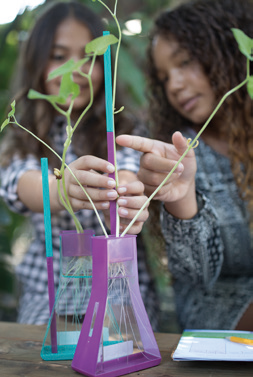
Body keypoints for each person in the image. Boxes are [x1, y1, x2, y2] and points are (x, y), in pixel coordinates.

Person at [0, 1, 158, 329]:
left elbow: (127, 168)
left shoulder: (123, 126)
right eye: (59, 56)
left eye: (89, 58)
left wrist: (125, 193)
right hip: (50, 293)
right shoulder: (22, 135)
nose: (76, 70)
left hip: (122, 292)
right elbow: (18, 181)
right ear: (35, 63)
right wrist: (62, 190)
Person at [117, 0, 253, 331]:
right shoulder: (177, 150)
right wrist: (181, 198)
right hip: (219, 309)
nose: (175, 85)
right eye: (164, 77)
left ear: (231, 55)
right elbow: (196, 274)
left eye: (186, 62)